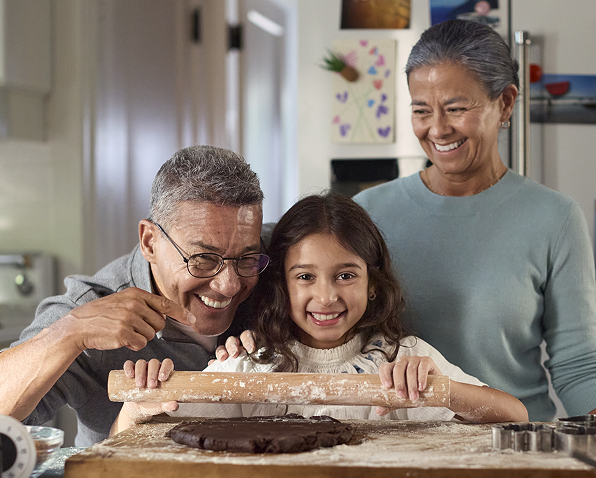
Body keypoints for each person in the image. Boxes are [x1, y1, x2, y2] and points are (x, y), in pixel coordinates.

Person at [111, 192, 527, 434]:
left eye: (345, 275)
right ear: (280, 285)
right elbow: (137, 447)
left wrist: (443, 391)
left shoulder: (403, 358)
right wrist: (135, 406)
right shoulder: (251, 364)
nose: (325, 297)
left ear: (372, 280)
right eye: (305, 277)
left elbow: (516, 417)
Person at [353, 19, 596, 421]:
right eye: (421, 110)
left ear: (505, 103)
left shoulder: (557, 218)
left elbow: (577, 363)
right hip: (398, 443)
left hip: (512, 440)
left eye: (456, 108)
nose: (437, 128)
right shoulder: (368, 212)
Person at [0, 145, 266, 446]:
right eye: (204, 258)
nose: (229, 285)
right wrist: (69, 333)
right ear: (149, 242)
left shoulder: (285, 261)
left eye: (247, 258)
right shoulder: (88, 309)